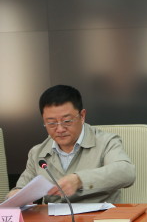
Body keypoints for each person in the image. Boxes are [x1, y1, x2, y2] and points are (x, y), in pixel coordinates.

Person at [6, 85, 136, 203]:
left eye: (67, 121)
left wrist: (79, 180)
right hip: (54, 220)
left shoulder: (106, 142)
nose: (60, 129)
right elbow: (21, 188)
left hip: (100, 217)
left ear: (82, 116)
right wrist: (15, 194)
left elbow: (126, 173)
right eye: (51, 123)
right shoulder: (37, 153)